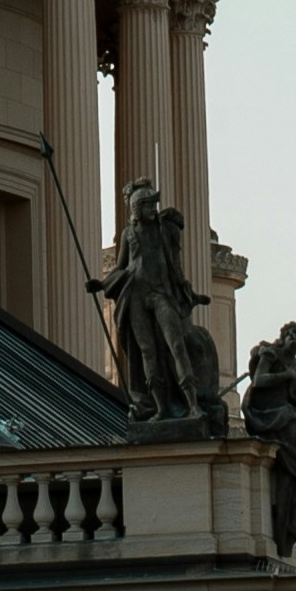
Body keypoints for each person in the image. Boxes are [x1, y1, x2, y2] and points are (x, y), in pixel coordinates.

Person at [95, 179, 218, 433]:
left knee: (176, 346)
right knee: (147, 351)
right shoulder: (129, 234)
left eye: (154, 204)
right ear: (138, 208)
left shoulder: (164, 230)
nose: (154, 208)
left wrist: (189, 293)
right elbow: (121, 267)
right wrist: (100, 284)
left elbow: (175, 267)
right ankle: (160, 407)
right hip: (137, 295)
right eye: (149, 204)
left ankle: (192, 404)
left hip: (161, 294)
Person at [242, 320, 296, 552]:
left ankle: (294, 523)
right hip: (269, 416)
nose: (292, 337)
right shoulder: (271, 353)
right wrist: (286, 376)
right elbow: (259, 381)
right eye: (289, 333)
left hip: (288, 417)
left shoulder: (294, 365)